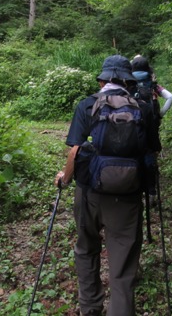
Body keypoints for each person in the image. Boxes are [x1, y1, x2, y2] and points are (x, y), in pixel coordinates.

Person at [55, 54, 157, 316]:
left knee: (86, 248)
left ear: (102, 81)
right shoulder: (143, 107)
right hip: (128, 196)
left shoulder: (87, 105)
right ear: (128, 81)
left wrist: (64, 179)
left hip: (89, 191)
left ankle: (90, 309)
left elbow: (75, 151)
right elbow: (151, 152)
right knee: (123, 265)